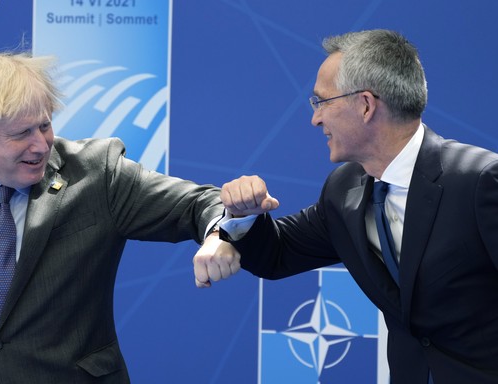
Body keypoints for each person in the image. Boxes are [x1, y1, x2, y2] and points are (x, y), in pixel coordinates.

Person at [0, 52, 239, 383]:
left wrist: (219, 234)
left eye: (45, 125)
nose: (41, 145)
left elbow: (198, 202)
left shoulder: (97, 174)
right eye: (21, 133)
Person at [202, 30, 498, 383]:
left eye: (321, 101)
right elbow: (277, 253)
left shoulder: (481, 181)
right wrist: (242, 215)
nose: (315, 118)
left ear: (366, 105)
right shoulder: (343, 190)